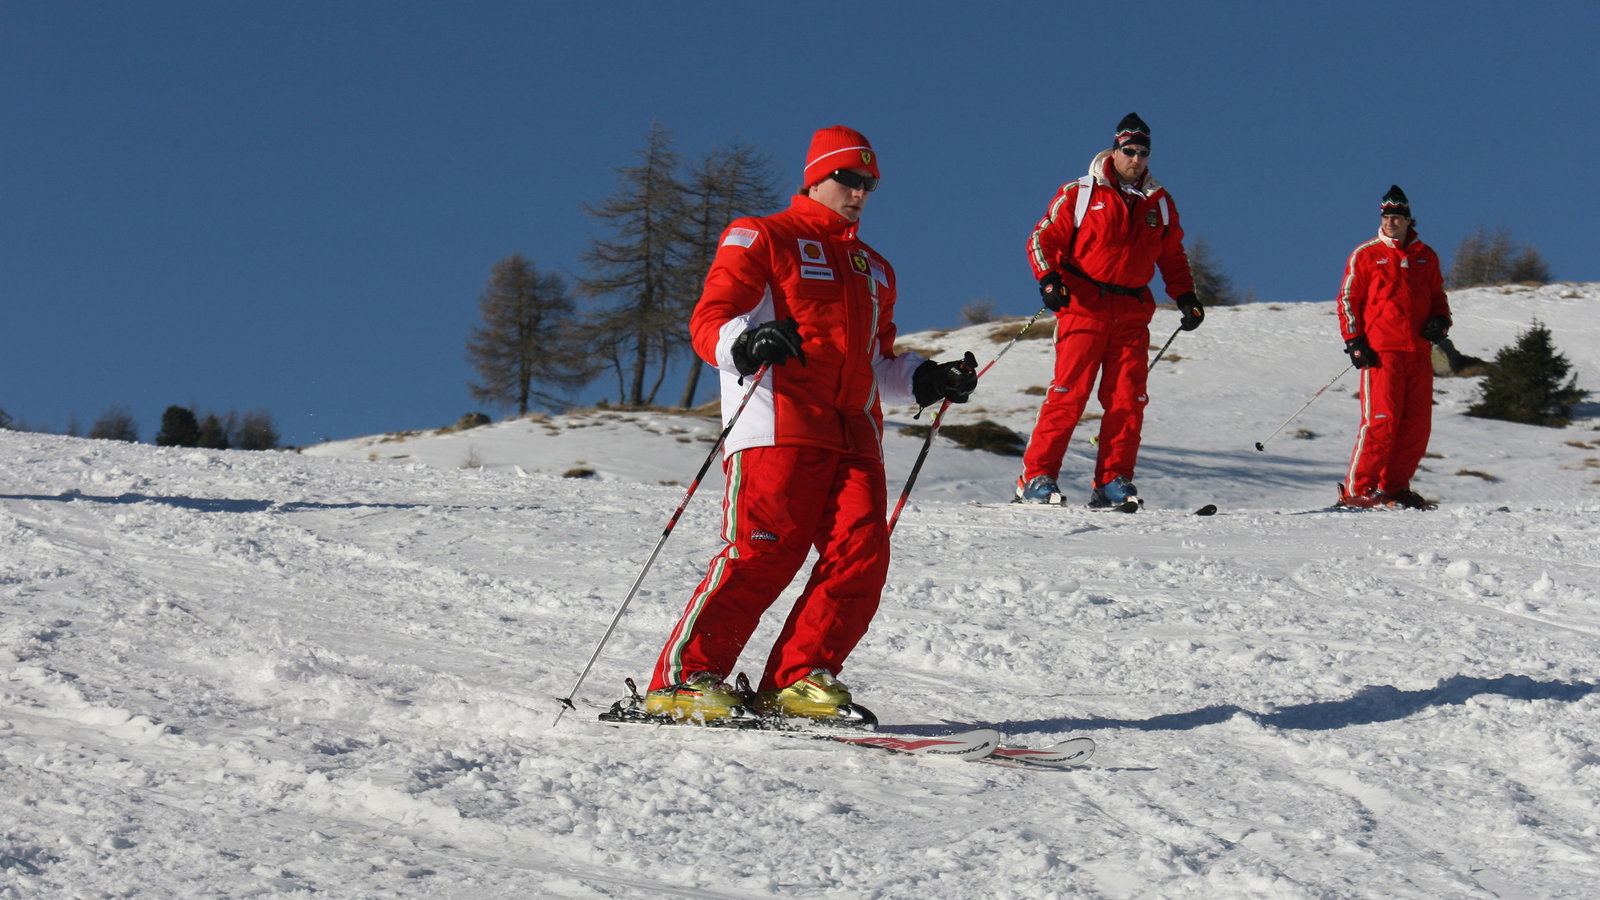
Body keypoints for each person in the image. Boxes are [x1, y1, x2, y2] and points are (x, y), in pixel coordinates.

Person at [643, 125, 978, 724]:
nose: (859, 193)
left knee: (861, 557)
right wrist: (745, 343)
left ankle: (796, 680)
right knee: (764, 552)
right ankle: (685, 679)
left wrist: (929, 379)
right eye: (848, 179)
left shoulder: (874, 268)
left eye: (869, 184)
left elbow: (879, 362)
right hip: (777, 422)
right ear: (815, 177)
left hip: (853, 433)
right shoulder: (762, 236)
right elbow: (710, 319)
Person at [1015, 113, 1203, 510]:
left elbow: (1172, 256)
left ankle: (1113, 481)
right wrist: (1050, 278)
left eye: (1142, 152)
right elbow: (1041, 237)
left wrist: (1186, 296)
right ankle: (1036, 477)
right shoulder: (1081, 193)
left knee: (1127, 400)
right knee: (1069, 394)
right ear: (1114, 150)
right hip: (1084, 305)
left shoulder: (1160, 203)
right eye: (1129, 150)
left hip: (1132, 311)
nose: (1135, 158)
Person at [1334, 185, 1452, 509]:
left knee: (1416, 426)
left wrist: (1441, 320)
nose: (1391, 222)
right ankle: (1360, 489)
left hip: (1418, 352)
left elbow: (1438, 296)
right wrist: (1355, 341)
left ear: (1409, 220)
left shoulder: (1426, 256)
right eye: (1386, 217)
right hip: (1382, 352)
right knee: (1381, 421)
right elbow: (1347, 300)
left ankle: (1395, 488)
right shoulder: (1367, 254)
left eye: (1397, 217)